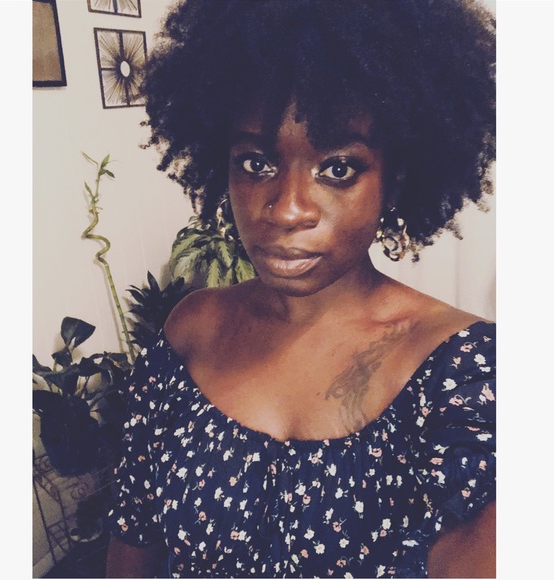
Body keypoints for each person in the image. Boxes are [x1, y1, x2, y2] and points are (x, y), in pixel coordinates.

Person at [106, 0, 496, 577]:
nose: (287, 210)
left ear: (395, 180)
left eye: (338, 168)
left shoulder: (465, 376)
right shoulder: (192, 332)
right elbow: (132, 538)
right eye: (255, 163)